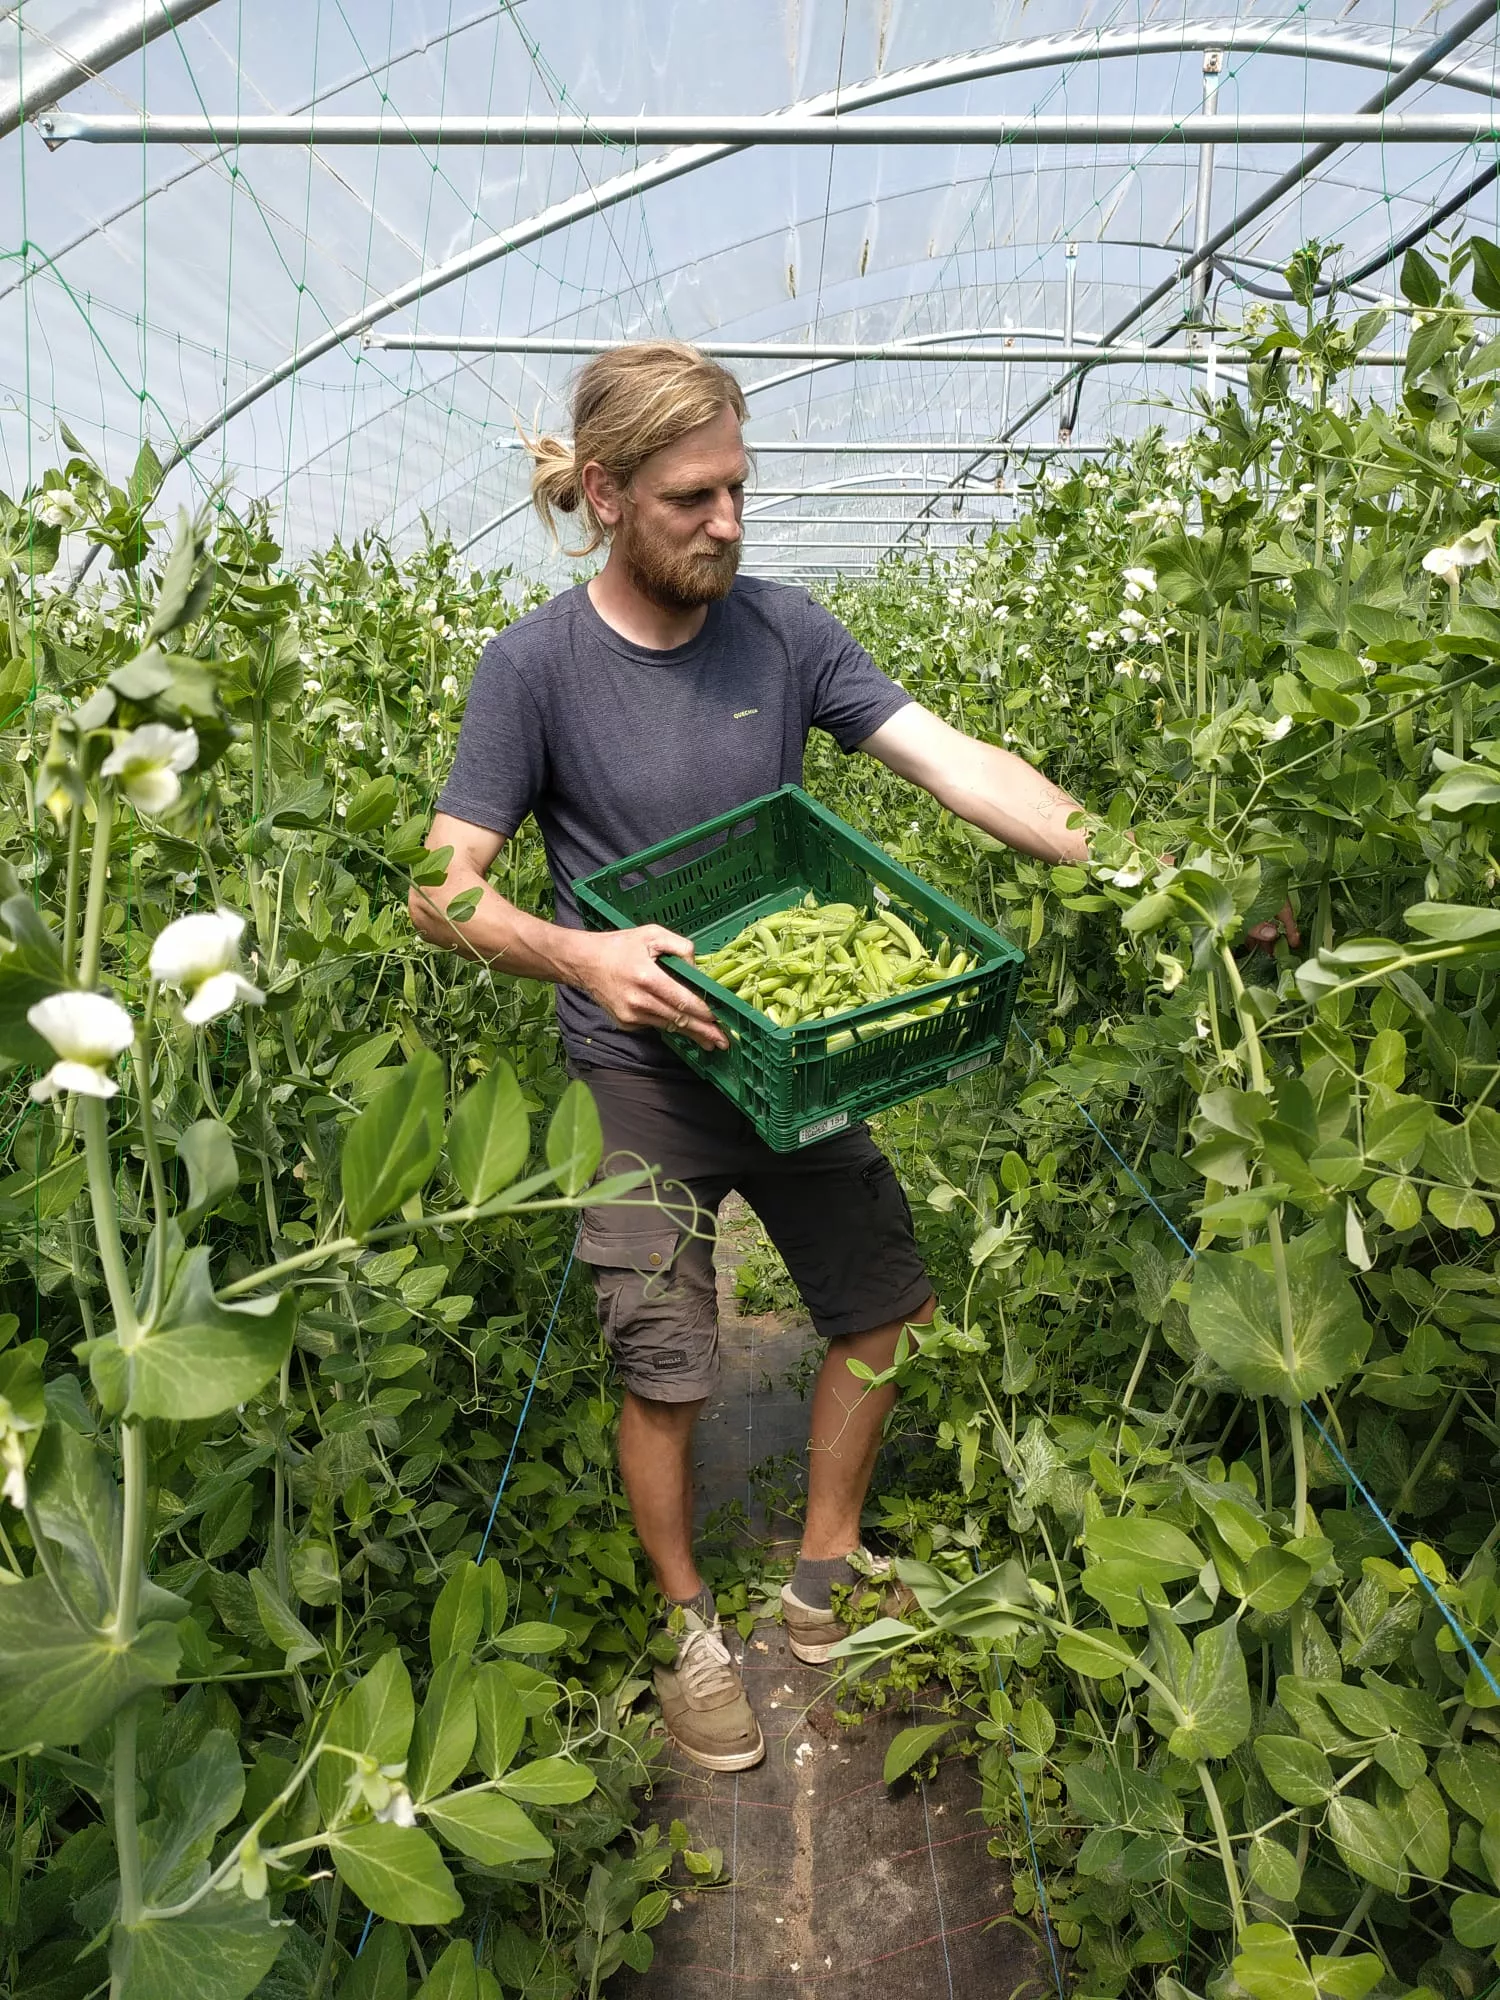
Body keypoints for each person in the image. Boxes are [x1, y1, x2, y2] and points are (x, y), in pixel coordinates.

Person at [410, 341, 1091, 1773]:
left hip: (797, 1064)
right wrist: (587, 952)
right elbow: (442, 889)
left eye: (738, 488)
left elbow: (953, 759)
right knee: (667, 1366)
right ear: (604, 495)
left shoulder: (784, 633)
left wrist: (1144, 861)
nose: (727, 521)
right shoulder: (532, 669)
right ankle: (688, 1630)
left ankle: (823, 1573)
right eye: (690, 498)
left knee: (883, 1306)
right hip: (639, 1072)